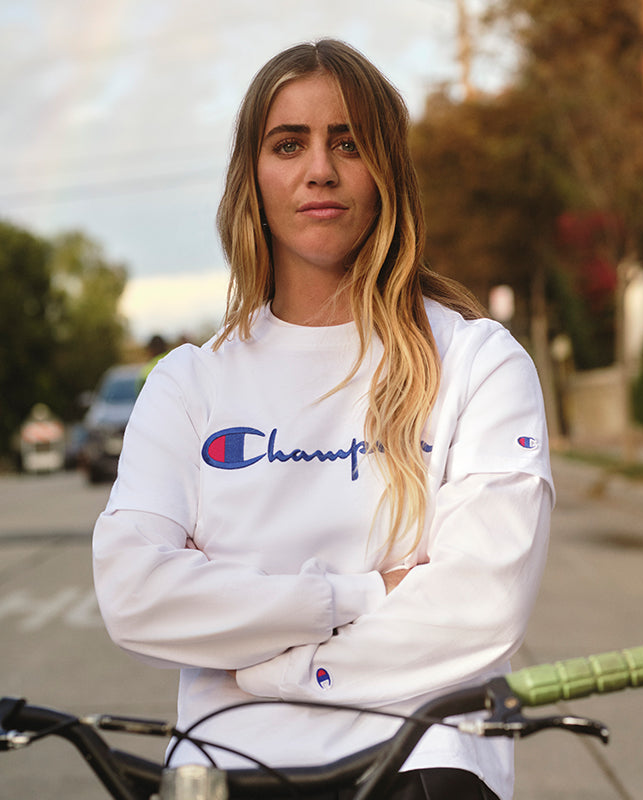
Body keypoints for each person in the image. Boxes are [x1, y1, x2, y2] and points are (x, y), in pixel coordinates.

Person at [93, 39, 553, 800]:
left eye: (349, 143)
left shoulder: (478, 362)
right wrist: (366, 593)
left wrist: (272, 665)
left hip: (421, 764)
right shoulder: (189, 383)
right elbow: (137, 595)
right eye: (288, 144)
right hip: (222, 765)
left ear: (387, 172)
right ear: (252, 176)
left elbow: (480, 604)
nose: (320, 170)